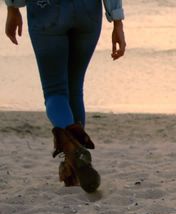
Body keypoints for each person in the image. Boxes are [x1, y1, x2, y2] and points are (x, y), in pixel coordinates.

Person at [4, 0, 126, 193]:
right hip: (87, 11)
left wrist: (12, 7)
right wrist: (117, 21)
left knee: (55, 92)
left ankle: (72, 151)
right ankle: (74, 167)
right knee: (75, 89)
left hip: (46, 9)